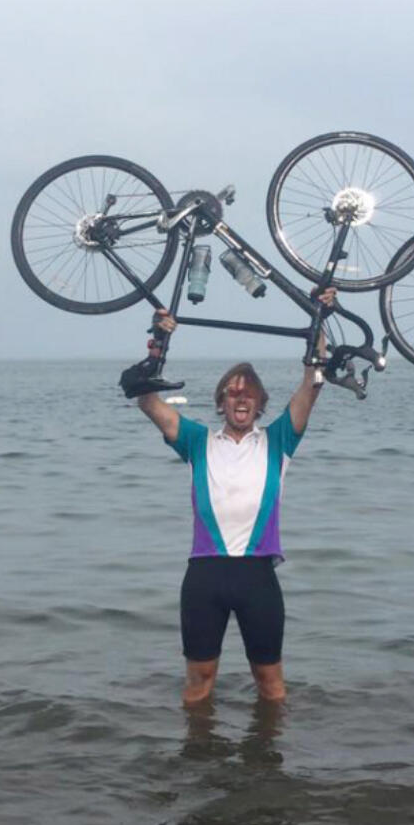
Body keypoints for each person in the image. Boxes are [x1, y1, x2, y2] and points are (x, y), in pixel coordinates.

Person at [130, 293, 335, 705]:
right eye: (232, 393)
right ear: (221, 401)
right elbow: (147, 400)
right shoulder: (197, 441)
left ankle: (269, 766)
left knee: (271, 685)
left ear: (259, 404)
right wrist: (157, 342)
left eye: (248, 394)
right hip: (205, 576)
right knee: (198, 683)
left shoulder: (278, 440)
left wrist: (319, 325)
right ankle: (198, 762)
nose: (240, 399)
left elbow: (312, 385)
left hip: (258, 576)